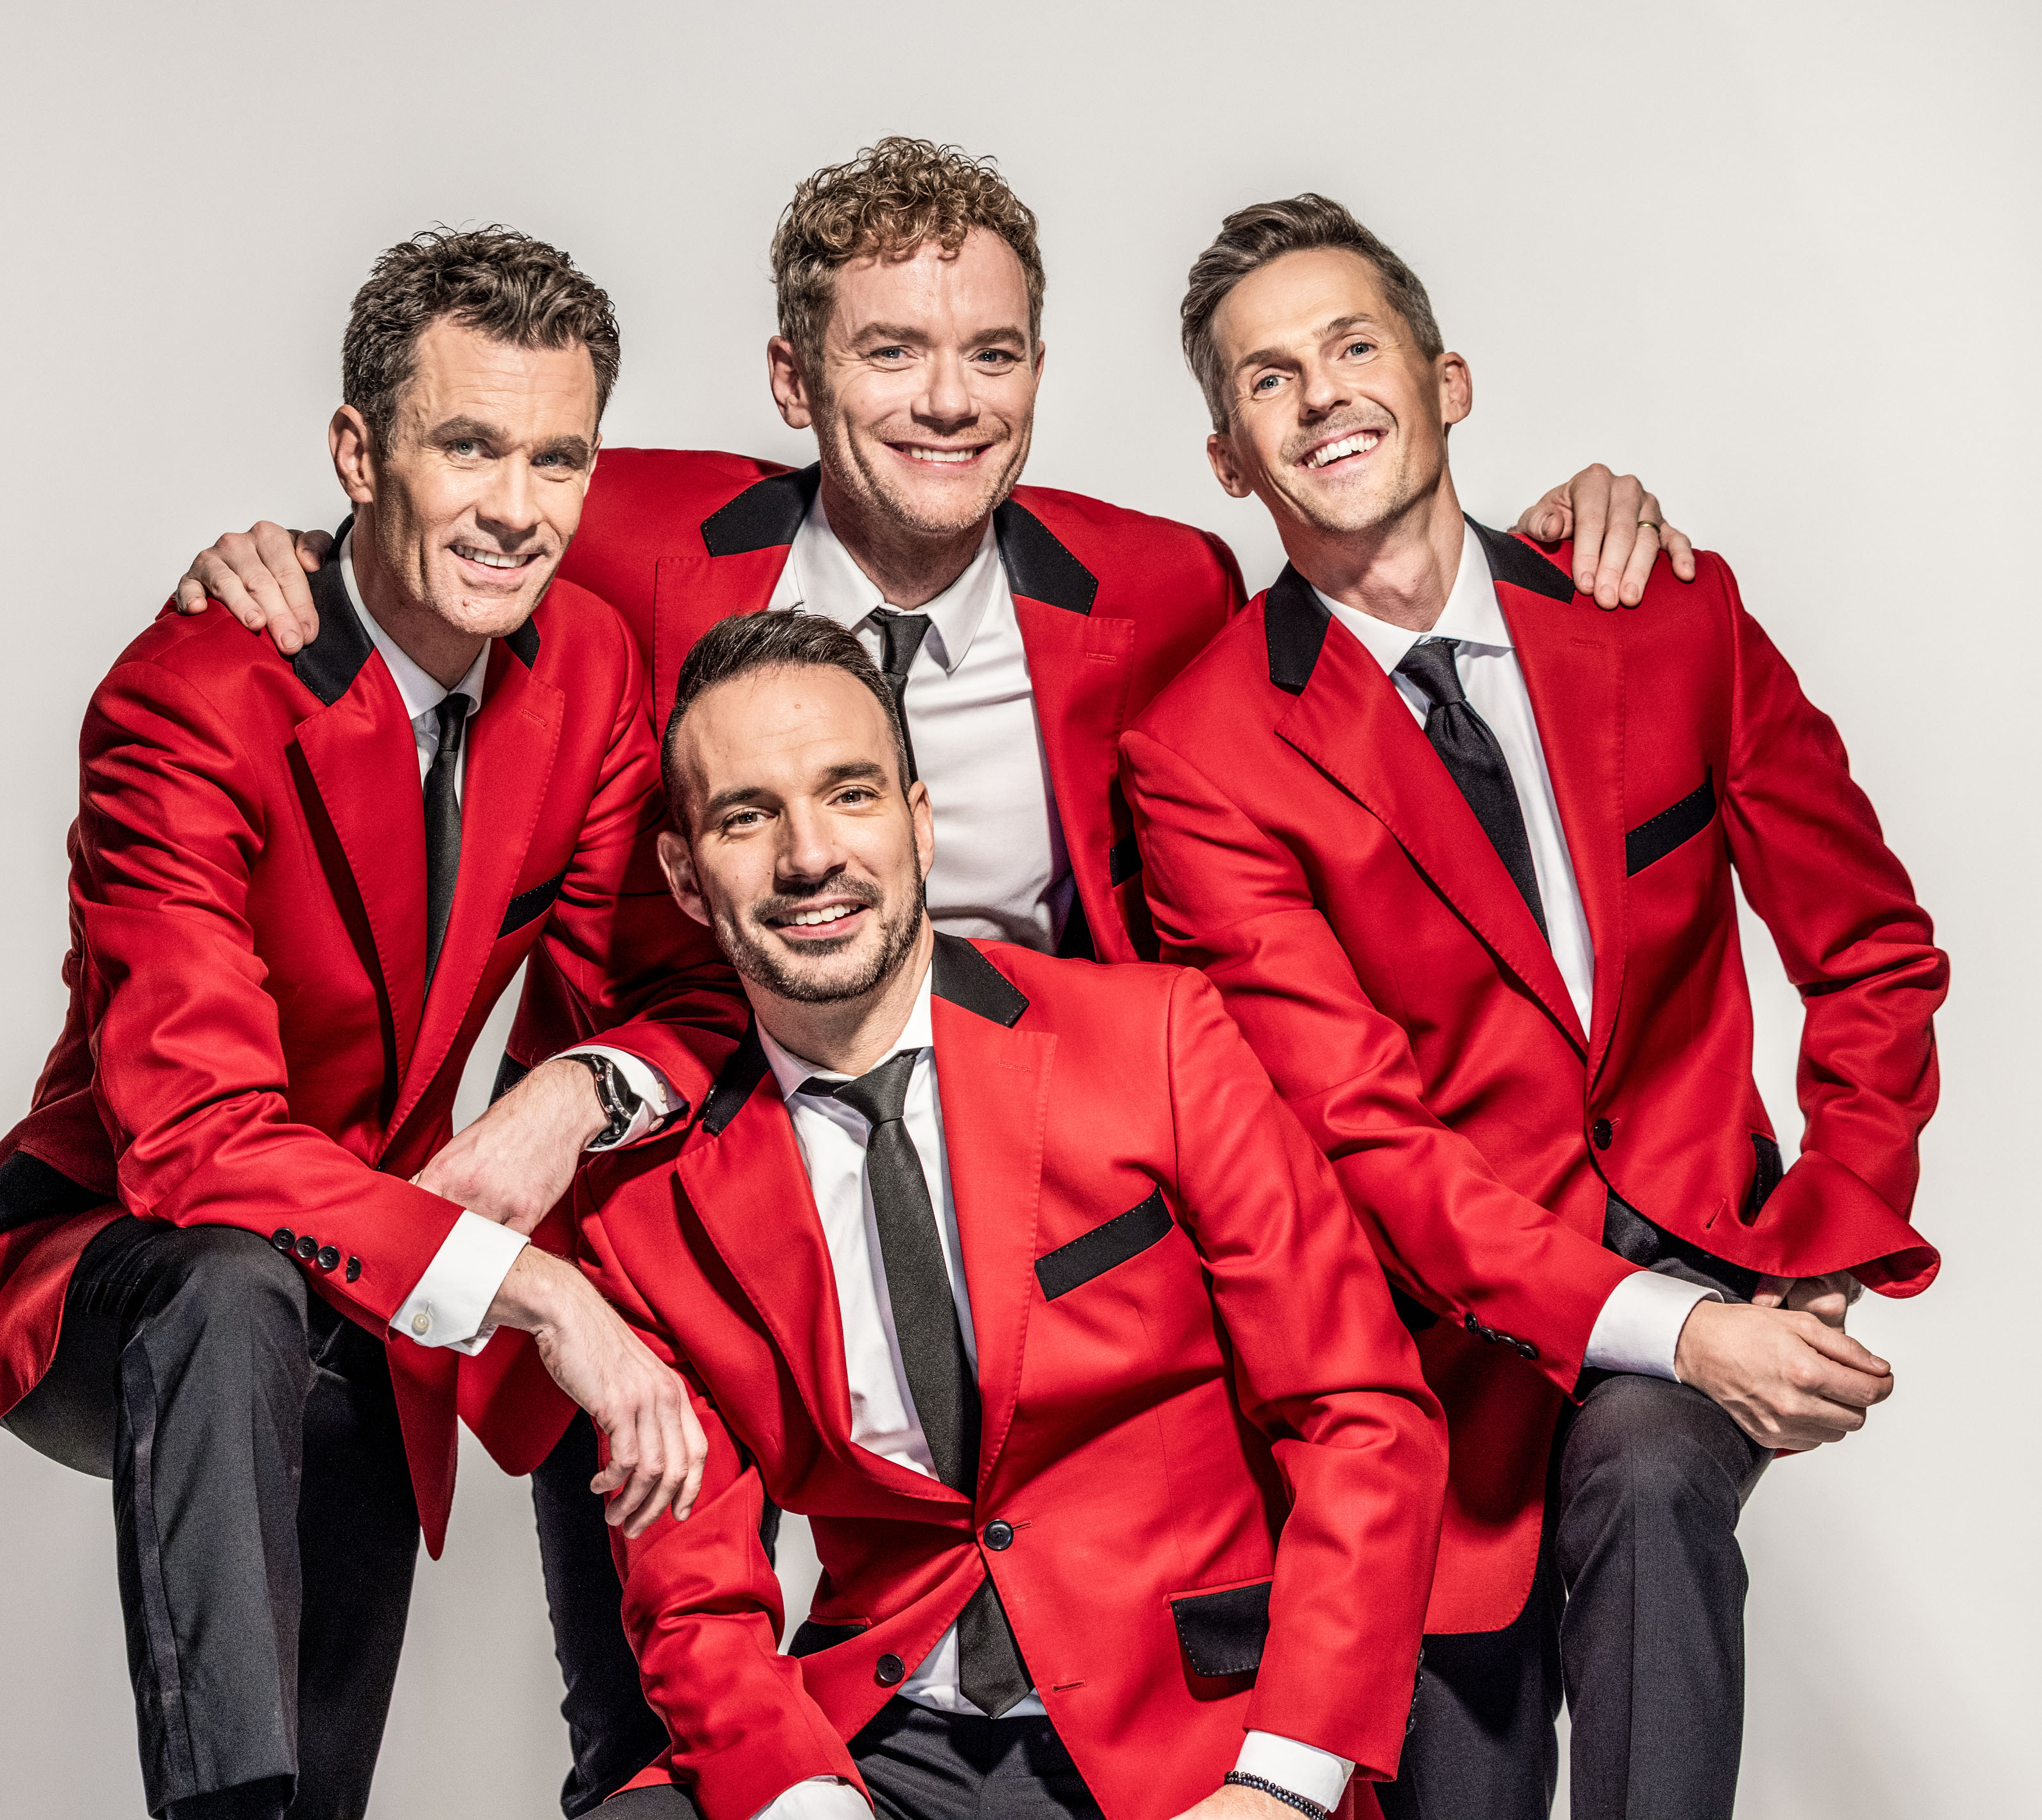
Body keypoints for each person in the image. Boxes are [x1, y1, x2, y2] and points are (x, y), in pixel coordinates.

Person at [169, 139, 1699, 1815]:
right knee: (657, 1755)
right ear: (793, 379)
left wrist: (1548, 542)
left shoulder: (1160, 590)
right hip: (684, 1206)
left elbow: (1354, 642)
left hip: (1068, 1230)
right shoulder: (635, 538)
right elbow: (457, 498)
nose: (949, 401)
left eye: (992, 352)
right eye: (890, 351)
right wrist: (287, 566)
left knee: (1147, 1670)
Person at [1119, 196, 1946, 1820]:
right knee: (1455, 1769)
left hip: (1698, 1239)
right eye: (1267, 378)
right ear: (1226, 461)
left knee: (1648, 1473)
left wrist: (1828, 1232)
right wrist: (1689, 1334)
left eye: (1353, 346)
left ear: (1447, 382)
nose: (1322, 393)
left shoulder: (1665, 611)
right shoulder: (1200, 755)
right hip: (1426, 1359)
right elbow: (1365, 1140)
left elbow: (1866, 946)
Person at [0, 227, 748, 1820]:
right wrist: (537, 1291)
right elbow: (195, 1140)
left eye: (558, 457)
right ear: (359, 456)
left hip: (375, 1271)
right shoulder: (189, 697)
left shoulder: (585, 668)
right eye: (467, 446)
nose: (516, 506)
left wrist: (571, 1091)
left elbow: (672, 990)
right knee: (237, 1290)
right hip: (121, 1254)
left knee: (329, 1749)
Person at [579, 608, 1444, 1820]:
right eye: (747, 817)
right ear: (685, 875)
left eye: (849, 794)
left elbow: (1364, 1417)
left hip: (1186, 1735)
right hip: (882, 1738)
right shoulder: (649, 1213)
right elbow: (694, 1596)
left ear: (921, 824)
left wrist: (1281, 1781)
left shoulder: (1153, 1039)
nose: (809, 855)